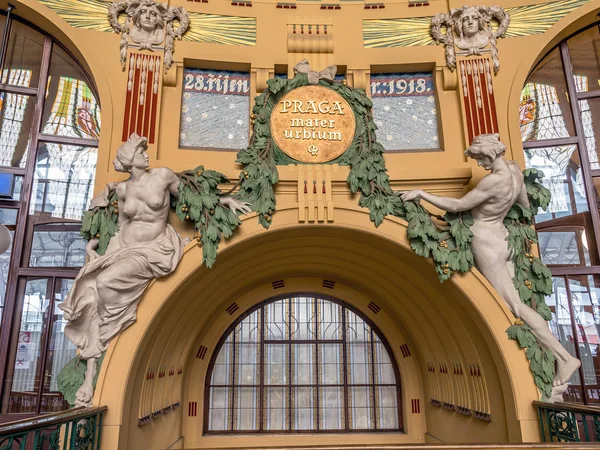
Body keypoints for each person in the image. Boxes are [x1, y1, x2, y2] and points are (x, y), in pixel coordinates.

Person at [59, 133, 250, 406]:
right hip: (126, 249)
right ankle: (97, 354)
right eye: (140, 153)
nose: (146, 155)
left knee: (104, 285)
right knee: (92, 287)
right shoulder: (123, 191)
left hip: (155, 250)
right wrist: (97, 253)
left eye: (145, 152)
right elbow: (124, 226)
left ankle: (107, 329)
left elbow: (191, 199)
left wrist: (223, 201)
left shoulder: (162, 176)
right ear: (129, 161)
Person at [401, 134, 580, 400]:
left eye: (480, 158)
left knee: (515, 306)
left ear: (489, 153)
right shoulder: (515, 170)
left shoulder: (494, 180)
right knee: (517, 303)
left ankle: (564, 357)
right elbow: (525, 206)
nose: (480, 164)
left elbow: (460, 205)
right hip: (503, 237)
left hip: (485, 241)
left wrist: (421, 193)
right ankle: (560, 356)